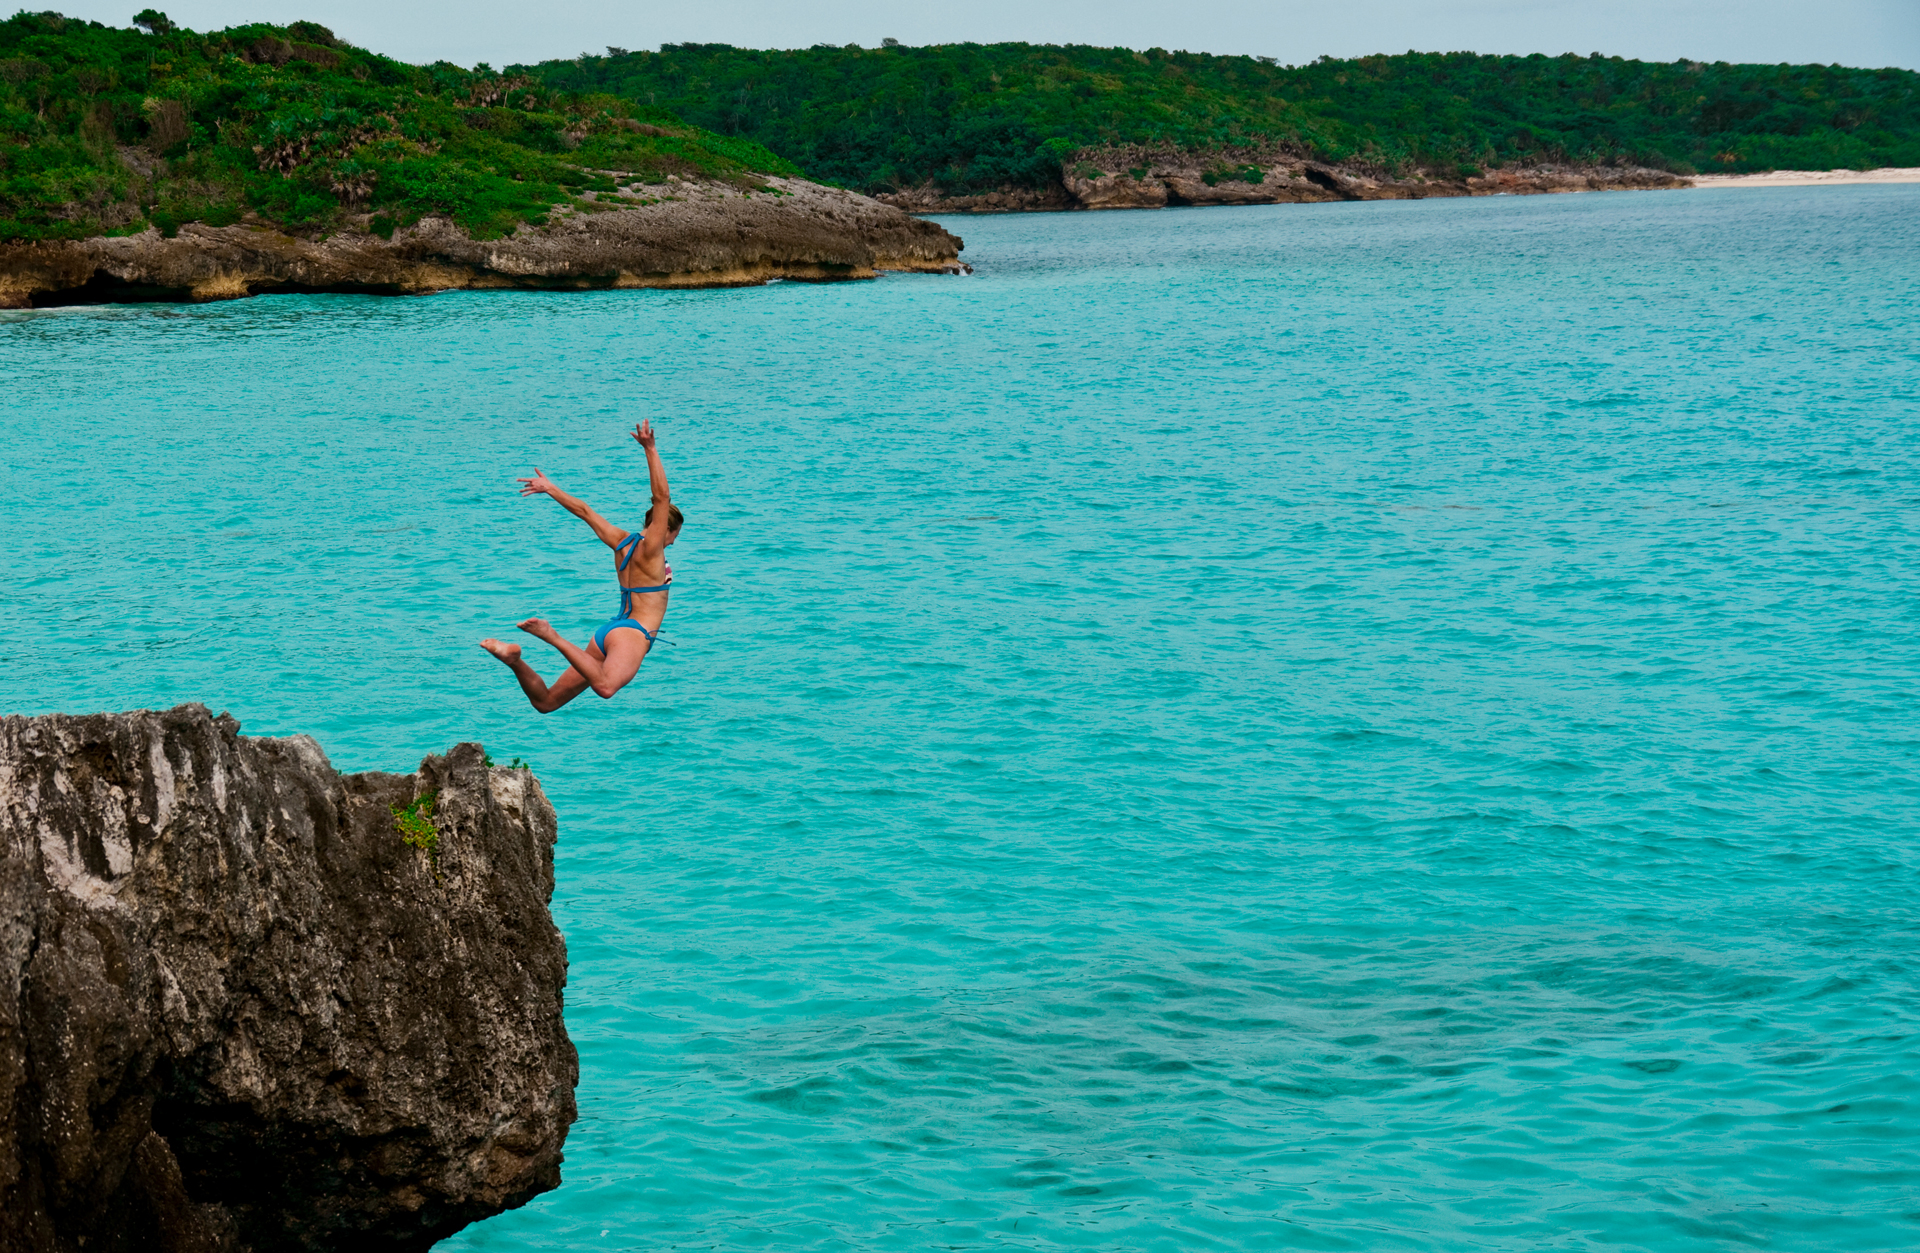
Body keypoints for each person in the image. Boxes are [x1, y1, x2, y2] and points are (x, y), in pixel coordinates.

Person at [480, 420, 681, 712]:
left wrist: (550, 488)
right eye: (674, 536)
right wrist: (650, 449)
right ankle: (551, 636)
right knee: (606, 686)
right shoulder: (653, 550)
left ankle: (514, 659)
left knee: (546, 702)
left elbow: (585, 511)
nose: (673, 544)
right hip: (633, 633)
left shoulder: (621, 542)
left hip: (610, 632)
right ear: (665, 527)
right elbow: (662, 496)